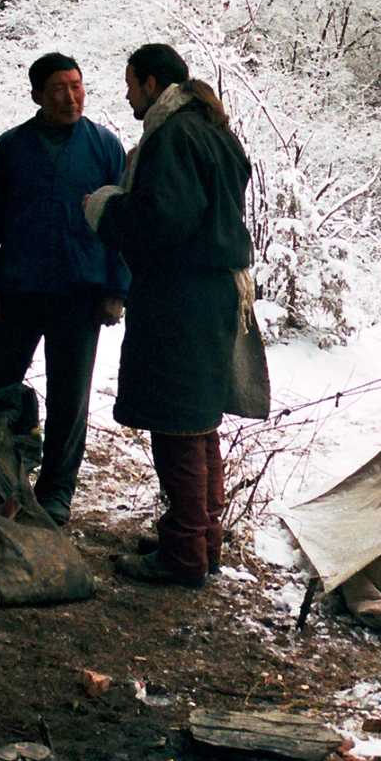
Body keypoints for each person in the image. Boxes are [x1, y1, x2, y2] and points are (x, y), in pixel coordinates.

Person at [84, 44, 265, 587]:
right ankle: (197, 539)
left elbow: (164, 220)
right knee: (200, 424)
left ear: (151, 82)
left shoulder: (175, 135)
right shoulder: (214, 131)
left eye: (131, 84)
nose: (126, 94)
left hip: (181, 298)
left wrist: (106, 206)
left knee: (179, 427)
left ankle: (184, 555)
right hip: (212, 295)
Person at [0, 52, 130, 525]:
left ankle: (56, 494)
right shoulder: (12, 146)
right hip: (15, 289)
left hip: (80, 291)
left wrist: (118, 289)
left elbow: (120, 222)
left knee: (69, 399)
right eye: (59, 88)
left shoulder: (103, 146)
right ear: (37, 95)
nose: (70, 97)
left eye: (76, 86)